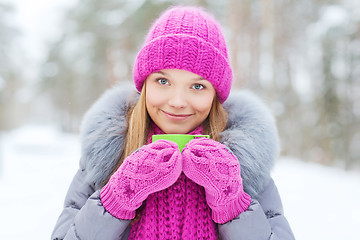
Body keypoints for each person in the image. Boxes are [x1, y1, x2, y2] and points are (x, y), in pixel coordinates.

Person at [52, 6, 295, 240]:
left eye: (197, 86)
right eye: (163, 81)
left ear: (215, 95)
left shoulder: (246, 164)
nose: (178, 101)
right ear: (145, 84)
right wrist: (116, 200)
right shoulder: (104, 155)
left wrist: (233, 204)